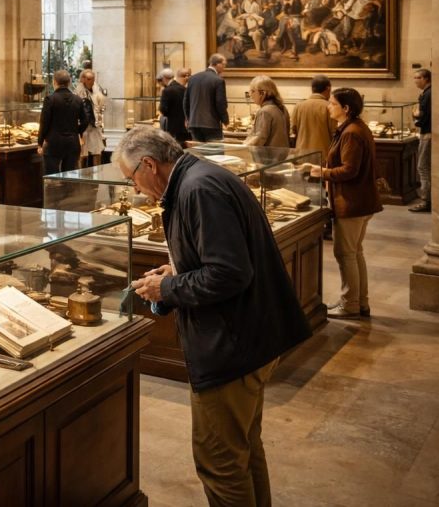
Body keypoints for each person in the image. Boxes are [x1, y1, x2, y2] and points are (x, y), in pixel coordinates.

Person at [118, 126, 310, 506]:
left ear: (149, 164)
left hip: (233, 344)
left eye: (132, 180)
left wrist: (167, 289)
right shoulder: (197, 179)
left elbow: (229, 274)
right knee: (243, 448)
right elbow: (219, 259)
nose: (136, 190)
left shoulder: (198, 189)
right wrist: (175, 273)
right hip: (249, 336)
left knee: (219, 461)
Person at [310, 88, 383, 318]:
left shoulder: (351, 132)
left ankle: (349, 304)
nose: (328, 106)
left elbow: (350, 170)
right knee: (355, 252)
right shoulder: (354, 127)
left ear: (346, 108)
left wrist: (321, 172)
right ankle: (359, 302)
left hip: (352, 202)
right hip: (359, 200)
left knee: (345, 254)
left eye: (332, 103)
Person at [38, 69, 88, 174]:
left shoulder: (50, 99)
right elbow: (85, 120)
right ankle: (68, 191)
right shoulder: (78, 100)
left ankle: (54, 191)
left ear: (54, 82)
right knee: (69, 177)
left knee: (52, 177)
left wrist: (40, 142)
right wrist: (77, 131)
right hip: (72, 142)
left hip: (53, 143)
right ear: (69, 82)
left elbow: (44, 122)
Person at [184, 54, 229, 142]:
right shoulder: (218, 80)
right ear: (218, 64)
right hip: (211, 124)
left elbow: (186, 101)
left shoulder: (193, 78)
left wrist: (189, 119)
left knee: (198, 154)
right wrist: (225, 120)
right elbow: (220, 103)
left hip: (194, 124)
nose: (224, 67)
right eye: (224, 65)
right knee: (214, 154)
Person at [292, 74, 335, 164]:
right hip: (322, 156)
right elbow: (334, 132)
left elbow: (294, 130)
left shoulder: (298, 106)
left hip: (301, 154)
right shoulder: (329, 107)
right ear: (328, 88)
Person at [243, 75, 291, 148]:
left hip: (268, 156)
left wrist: (243, 147)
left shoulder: (265, 111)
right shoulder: (282, 108)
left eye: (252, 91)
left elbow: (259, 138)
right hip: (281, 154)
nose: (250, 95)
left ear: (263, 93)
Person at [410, 68, 432, 212]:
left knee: (422, 167)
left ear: (425, 78)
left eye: (417, 78)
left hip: (427, 133)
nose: (415, 81)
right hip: (428, 131)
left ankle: (426, 201)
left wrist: (416, 119)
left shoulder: (428, 94)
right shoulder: (428, 93)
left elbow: (423, 114)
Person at [74, 69, 106, 166]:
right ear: (83, 79)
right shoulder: (77, 92)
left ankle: (97, 176)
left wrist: (100, 120)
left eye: (93, 79)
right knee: (83, 152)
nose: (91, 81)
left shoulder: (97, 89)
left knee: (97, 150)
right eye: (88, 79)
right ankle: (82, 176)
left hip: (95, 125)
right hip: (83, 126)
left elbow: (101, 105)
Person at [158, 67, 189, 146]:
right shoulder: (184, 89)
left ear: (164, 78)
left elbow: (163, 109)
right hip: (186, 125)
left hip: (173, 126)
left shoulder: (167, 90)